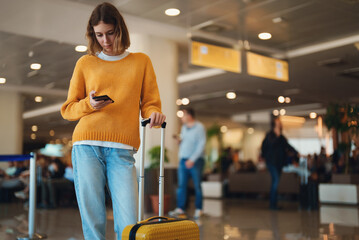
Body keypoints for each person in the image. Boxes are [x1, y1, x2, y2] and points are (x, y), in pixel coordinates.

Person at [61, 3, 166, 239]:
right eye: (99, 35)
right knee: (93, 219)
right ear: (92, 34)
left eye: (110, 33)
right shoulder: (85, 63)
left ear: (120, 29)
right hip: (86, 145)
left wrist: (154, 115)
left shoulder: (141, 61)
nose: (105, 40)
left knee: (128, 221)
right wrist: (90, 104)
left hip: (122, 150)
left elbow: (150, 103)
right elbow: (67, 109)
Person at [169, 108, 206, 219]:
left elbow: (201, 144)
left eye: (183, 115)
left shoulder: (200, 127)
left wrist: (192, 159)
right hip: (183, 160)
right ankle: (181, 208)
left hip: (196, 161)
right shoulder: (184, 128)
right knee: (182, 185)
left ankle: (199, 209)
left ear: (189, 116)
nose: (181, 117)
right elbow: (186, 143)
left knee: (197, 186)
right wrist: (179, 142)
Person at [261, 116, 298, 210]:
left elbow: (288, 146)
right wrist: (277, 135)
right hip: (271, 162)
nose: (280, 123)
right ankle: (272, 205)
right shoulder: (270, 135)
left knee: (275, 183)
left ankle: (274, 204)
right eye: (278, 122)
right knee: (276, 181)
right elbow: (270, 145)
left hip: (279, 163)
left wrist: (297, 153)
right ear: (274, 124)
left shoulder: (281, 137)